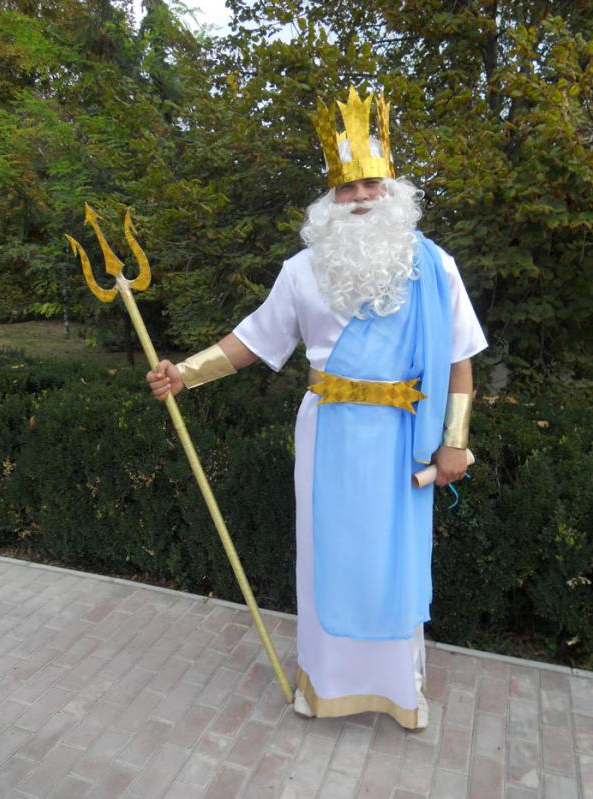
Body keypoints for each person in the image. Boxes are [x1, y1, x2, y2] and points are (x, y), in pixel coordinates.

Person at [146, 86, 487, 730]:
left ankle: (398, 690)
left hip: (404, 440)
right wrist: (183, 374)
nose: (359, 197)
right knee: (329, 555)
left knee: (391, 563)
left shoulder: (434, 267)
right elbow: (254, 340)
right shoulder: (302, 270)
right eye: (346, 187)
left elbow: (460, 360)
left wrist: (455, 441)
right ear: (330, 199)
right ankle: (324, 684)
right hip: (329, 434)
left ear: (392, 190)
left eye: (370, 184)